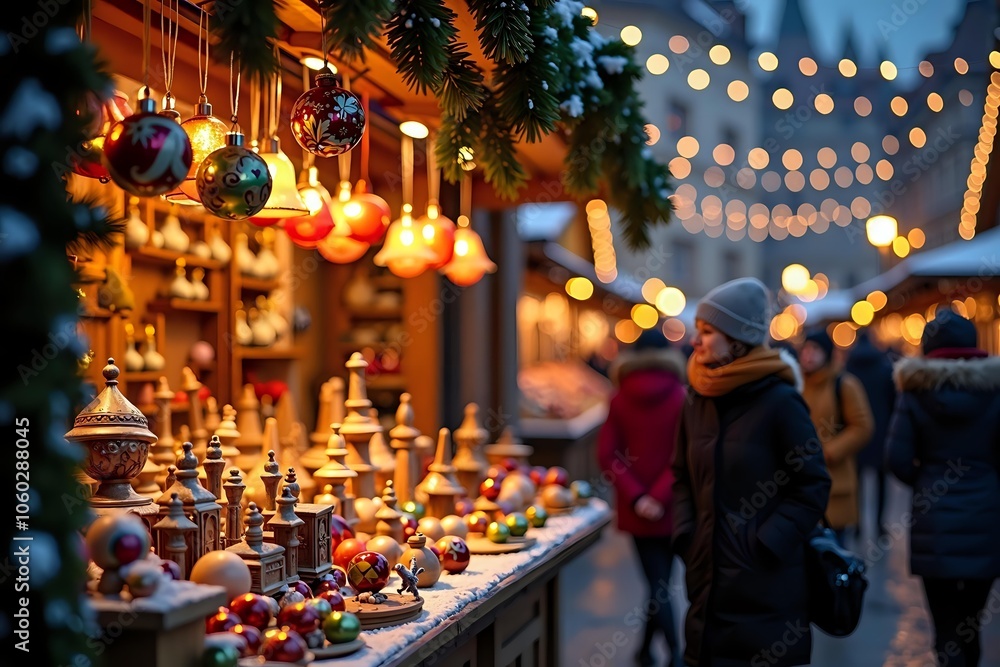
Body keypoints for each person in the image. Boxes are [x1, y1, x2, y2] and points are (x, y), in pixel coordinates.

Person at [672, 278, 831, 667]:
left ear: (738, 340)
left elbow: (812, 483)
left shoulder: (780, 402)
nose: (695, 341)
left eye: (708, 333)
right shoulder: (697, 398)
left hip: (767, 592)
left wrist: (765, 545)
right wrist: (686, 536)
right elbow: (679, 474)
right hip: (704, 585)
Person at [886, 309, 1000, 667]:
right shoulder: (994, 390)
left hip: (934, 525)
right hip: (986, 520)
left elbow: (897, 459)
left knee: (946, 625)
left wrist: (927, 481)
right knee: (973, 621)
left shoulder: (916, 392)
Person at [597, 328, 686, 667]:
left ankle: (646, 650)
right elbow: (684, 453)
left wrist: (637, 496)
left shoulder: (619, 397)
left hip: (637, 510)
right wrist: (659, 495)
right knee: (662, 581)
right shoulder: (680, 396)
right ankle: (676, 654)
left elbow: (609, 454)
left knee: (656, 580)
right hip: (673, 505)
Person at [799, 329, 874, 545]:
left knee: (834, 555)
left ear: (827, 353)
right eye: (805, 349)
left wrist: (829, 452)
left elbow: (862, 426)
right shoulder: (797, 384)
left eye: (815, 349)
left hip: (835, 484)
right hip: (801, 486)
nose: (808, 355)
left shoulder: (844, 384)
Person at [845, 328, 896, 540]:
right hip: (881, 430)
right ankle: (879, 524)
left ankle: (856, 524)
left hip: (855, 431)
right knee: (881, 482)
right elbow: (893, 402)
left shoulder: (849, 368)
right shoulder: (885, 367)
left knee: (856, 481)